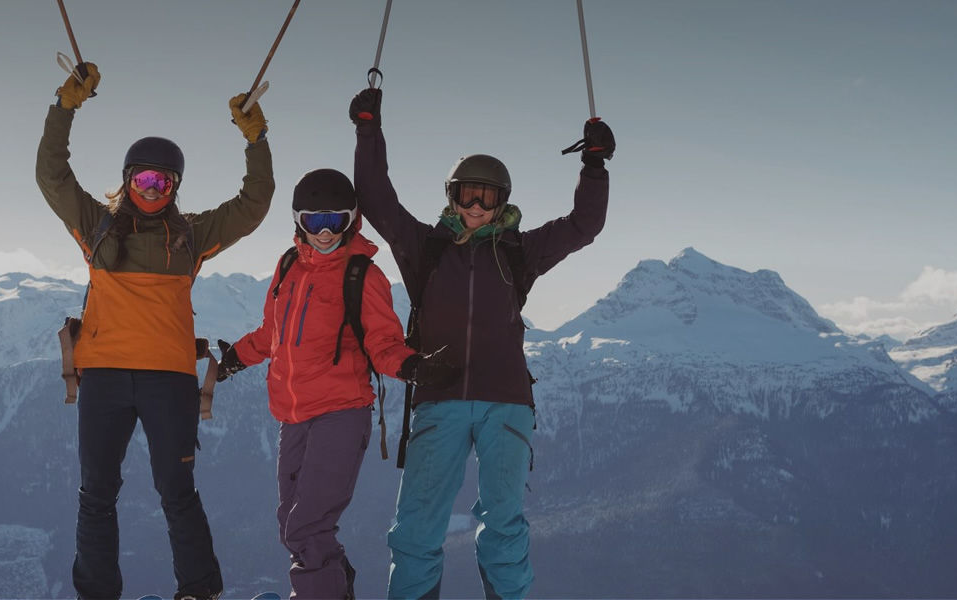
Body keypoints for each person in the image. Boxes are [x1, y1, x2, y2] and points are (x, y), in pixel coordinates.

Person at [347, 87, 613, 599]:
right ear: (451, 195)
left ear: (502, 202)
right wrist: (367, 129)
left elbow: (585, 224)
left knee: (504, 523)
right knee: (418, 525)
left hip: (504, 402)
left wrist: (595, 168)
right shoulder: (424, 247)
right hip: (439, 399)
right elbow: (376, 197)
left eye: (487, 197)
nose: (475, 205)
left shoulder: (520, 251)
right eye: (467, 193)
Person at [36, 62, 275, 600]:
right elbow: (52, 175)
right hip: (105, 377)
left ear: (175, 187)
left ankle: (198, 590)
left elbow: (254, 204)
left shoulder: (191, 236)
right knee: (96, 493)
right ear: (126, 180)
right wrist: (64, 106)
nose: (151, 189)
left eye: (162, 182)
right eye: (142, 179)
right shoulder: (95, 226)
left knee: (176, 491)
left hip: (167, 380)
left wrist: (256, 139)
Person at [214, 168, 461, 599]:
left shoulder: (362, 275)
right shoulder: (288, 265)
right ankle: (332, 589)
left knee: (307, 524)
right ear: (298, 221)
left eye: (335, 221)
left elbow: (383, 343)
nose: (325, 232)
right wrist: (234, 359)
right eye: (314, 221)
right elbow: (272, 333)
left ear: (352, 219)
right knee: (291, 526)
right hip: (292, 417)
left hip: (340, 414)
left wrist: (413, 367)